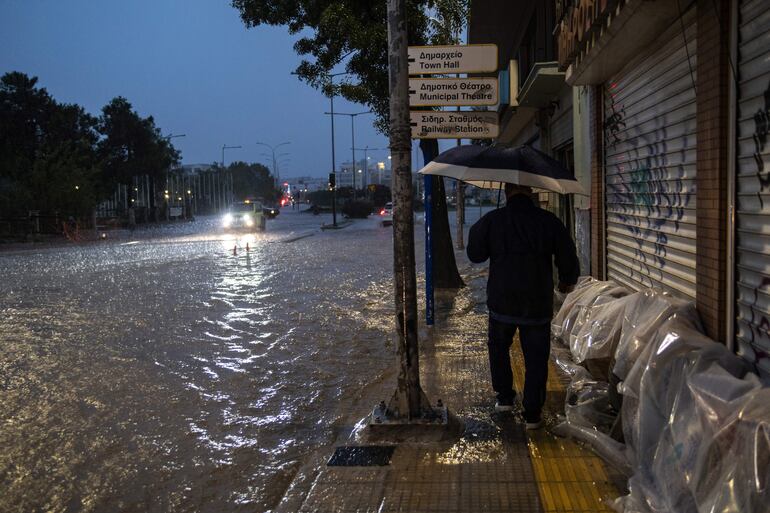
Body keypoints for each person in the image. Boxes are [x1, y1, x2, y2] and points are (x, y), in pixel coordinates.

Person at [467, 183, 579, 429]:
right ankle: (532, 413)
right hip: (536, 302)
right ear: (531, 192)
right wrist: (567, 281)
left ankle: (505, 398)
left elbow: (475, 255)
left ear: (506, 193)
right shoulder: (548, 221)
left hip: (501, 301)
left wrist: (486, 229)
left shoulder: (493, 220)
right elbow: (567, 253)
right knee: (536, 357)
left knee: (498, 350)